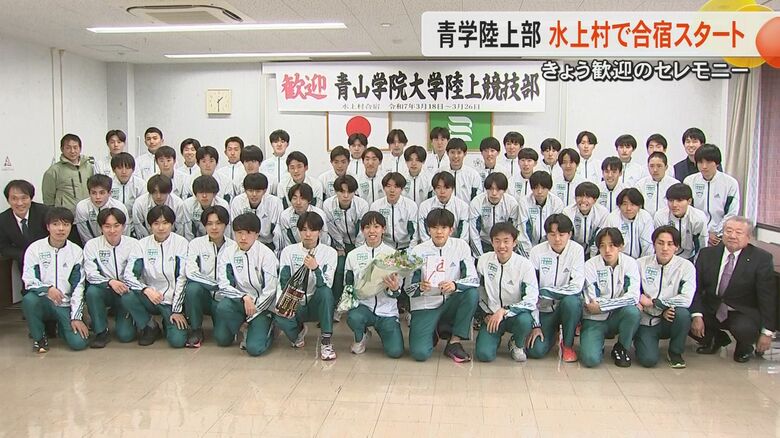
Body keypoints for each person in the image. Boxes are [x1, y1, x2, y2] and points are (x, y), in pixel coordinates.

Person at [690, 217, 776, 363]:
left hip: (741, 310)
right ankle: (715, 339)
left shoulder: (761, 259)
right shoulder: (707, 254)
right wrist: (696, 315)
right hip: (712, 306)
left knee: (743, 328)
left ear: (749, 237)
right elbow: (696, 288)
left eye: (738, 232)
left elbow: (767, 297)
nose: (732, 236)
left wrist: (767, 332)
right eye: (728, 231)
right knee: (684, 317)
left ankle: (745, 346)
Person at [405, 208, 479, 362]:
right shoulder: (418, 251)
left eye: (444, 227)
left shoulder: (461, 246)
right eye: (434, 227)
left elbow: (474, 279)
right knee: (420, 354)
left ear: (451, 230)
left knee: (472, 294)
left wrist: (455, 285)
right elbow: (408, 289)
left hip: (451, 300)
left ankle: (454, 341)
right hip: (426, 305)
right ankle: (434, 330)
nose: (439, 232)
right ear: (428, 230)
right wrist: (420, 287)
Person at [21, 207, 89, 353]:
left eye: (65, 224)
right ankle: (39, 338)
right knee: (29, 299)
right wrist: (48, 289)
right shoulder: (35, 249)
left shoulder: (76, 251)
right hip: (43, 300)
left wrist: (76, 317)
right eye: (55, 224)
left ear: (71, 227)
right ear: (48, 227)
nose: (61, 229)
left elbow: (79, 286)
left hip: (65, 304)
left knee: (79, 343)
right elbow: (28, 279)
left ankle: (61, 327)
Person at [275, 212, 339, 360]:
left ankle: (326, 341)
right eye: (304, 230)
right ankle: (298, 333)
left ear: (320, 232)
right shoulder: (289, 251)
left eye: (313, 230)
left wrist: (315, 268)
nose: (308, 234)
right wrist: (282, 304)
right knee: (280, 316)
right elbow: (283, 281)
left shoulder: (329, 253)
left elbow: (327, 283)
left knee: (325, 293)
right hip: (296, 302)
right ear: (298, 231)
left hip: (316, 303)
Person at [123, 205, 189, 347]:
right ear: (150, 225)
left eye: (165, 223)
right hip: (150, 297)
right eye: (156, 223)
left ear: (172, 224)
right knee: (127, 295)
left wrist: (177, 309)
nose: (161, 228)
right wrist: (146, 289)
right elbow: (128, 276)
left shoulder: (181, 243)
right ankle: (150, 326)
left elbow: (182, 278)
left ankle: (168, 321)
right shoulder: (141, 245)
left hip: (172, 300)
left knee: (177, 341)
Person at [213, 212, 278, 356]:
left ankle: (269, 328)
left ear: (257, 234)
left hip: (262, 306)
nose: (243, 238)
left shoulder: (266, 255)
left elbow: (270, 290)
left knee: (254, 349)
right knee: (222, 337)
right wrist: (243, 297)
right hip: (240, 302)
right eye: (239, 233)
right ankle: (243, 328)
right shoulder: (228, 253)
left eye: (248, 233)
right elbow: (223, 285)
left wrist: (254, 311)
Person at [475, 222, 539, 362]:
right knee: (484, 355)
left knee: (525, 320)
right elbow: (479, 291)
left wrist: (505, 311)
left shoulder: (525, 265)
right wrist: (485, 314)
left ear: (514, 243)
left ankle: (517, 344)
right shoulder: (484, 261)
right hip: (492, 316)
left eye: (506, 241)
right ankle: (494, 340)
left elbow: (531, 300)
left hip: (516, 315)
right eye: (497, 241)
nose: (501, 246)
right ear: (492, 242)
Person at [345, 211, 404, 358]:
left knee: (395, 352)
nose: (372, 231)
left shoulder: (393, 255)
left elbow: (398, 289)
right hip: (364, 307)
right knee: (354, 317)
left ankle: (386, 330)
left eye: (376, 227)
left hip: (387, 311)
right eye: (367, 227)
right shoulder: (353, 255)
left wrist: (394, 289)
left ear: (383, 229)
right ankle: (361, 335)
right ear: (362, 230)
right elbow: (348, 284)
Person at [527, 215, 585, 362]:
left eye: (561, 234)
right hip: (543, 309)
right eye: (552, 234)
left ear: (569, 234)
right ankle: (552, 335)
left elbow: (576, 287)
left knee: (572, 302)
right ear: (546, 235)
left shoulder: (576, 250)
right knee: (535, 351)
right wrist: (535, 324)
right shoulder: (536, 252)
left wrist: (546, 292)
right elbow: (531, 290)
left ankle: (567, 345)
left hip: (565, 305)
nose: (557, 239)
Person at [580, 228, 641, 368]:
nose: (607, 250)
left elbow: (633, 297)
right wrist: (619, 302)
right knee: (590, 360)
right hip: (594, 319)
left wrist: (602, 306)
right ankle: (597, 343)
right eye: (602, 246)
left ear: (621, 246)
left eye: (612, 245)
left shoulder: (630, 263)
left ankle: (621, 348)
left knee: (632, 312)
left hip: (618, 316)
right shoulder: (590, 265)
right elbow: (591, 301)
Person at [635, 226, 695, 368]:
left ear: (677, 247)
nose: (665, 248)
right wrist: (642, 301)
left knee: (682, 314)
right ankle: (641, 342)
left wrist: (658, 304)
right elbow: (632, 292)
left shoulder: (686, 267)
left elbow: (686, 298)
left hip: (669, 318)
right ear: (654, 244)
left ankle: (675, 352)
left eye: (670, 244)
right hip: (647, 319)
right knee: (648, 360)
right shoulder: (640, 264)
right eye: (660, 243)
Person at [83, 208, 139, 347]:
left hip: (126, 291)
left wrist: (124, 284)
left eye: (116, 225)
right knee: (92, 292)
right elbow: (91, 274)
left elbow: (136, 272)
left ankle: (131, 320)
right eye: (107, 226)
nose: (112, 230)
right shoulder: (92, 245)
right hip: (105, 289)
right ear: (101, 227)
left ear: (123, 226)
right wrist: (110, 282)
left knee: (126, 336)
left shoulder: (133, 244)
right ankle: (101, 331)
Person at [323, 175, 368, 311]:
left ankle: (358, 303)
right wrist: (340, 246)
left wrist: (358, 248)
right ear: (335, 191)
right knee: (339, 269)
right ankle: (337, 303)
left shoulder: (362, 205)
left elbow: (363, 229)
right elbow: (331, 227)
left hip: (360, 243)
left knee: (358, 270)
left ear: (355, 192)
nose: (346, 195)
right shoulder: (328, 205)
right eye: (342, 191)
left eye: (350, 192)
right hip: (339, 244)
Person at [683, 144, 740, 247]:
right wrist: (704, 233)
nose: (704, 166)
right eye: (700, 162)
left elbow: (732, 213)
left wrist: (716, 232)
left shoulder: (730, 183)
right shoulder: (689, 181)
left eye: (708, 162)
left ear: (717, 163)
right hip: (695, 233)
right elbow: (687, 210)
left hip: (720, 236)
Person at [469, 172, 530, 257]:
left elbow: (514, 231)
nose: (494, 193)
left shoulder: (511, 203)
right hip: (484, 242)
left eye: (498, 189)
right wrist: (480, 257)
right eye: (490, 189)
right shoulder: (477, 202)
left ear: (504, 190)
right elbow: (474, 233)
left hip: (504, 243)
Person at [0, 180, 49, 271]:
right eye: (14, 198)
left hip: (49, 259)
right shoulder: (3, 220)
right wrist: (26, 256)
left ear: (31, 198)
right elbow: (3, 246)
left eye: (24, 198)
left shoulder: (45, 212)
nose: (20, 203)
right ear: (8, 200)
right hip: (23, 262)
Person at [653, 183, 708, 261]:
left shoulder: (698, 217)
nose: (674, 205)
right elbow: (659, 242)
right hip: (668, 256)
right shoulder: (660, 216)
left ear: (689, 201)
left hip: (691, 256)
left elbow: (702, 245)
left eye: (679, 200)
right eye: (671, 200)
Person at [230, 173, 283, 252]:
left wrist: (276, 252)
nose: (254, 194)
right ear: (245, 190)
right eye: (250, 191)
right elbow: (234, 230)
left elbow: (278, 232)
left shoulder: (275, 203)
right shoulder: (237, 202)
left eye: (258, 191)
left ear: (265, 191)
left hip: (267, 244)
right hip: (244, 244)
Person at [41, 133, 93, 212]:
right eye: (68, 148)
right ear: (62, 149)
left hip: (87, 213)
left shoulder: (89, 167)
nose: (72, 151)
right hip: (65, 215)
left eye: (75, 147)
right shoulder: (54, 170)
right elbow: (48, 198)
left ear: (80, 148)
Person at [74, 174, 129, 243]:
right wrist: (93, 245)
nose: (98, 197)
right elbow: (84, 233)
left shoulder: (119, 207)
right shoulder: (82, 207)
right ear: (89, 193)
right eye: (94, 193)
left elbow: (125, 231)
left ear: (109, 193)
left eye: (102, 193)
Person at [370, 172, 418, 251]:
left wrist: (410, 251)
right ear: (384, 188)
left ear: (402, 189)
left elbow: (414, 233)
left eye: (396, 187)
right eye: (388, 186)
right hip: (384, 247)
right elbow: (373, 230)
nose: (392, 190)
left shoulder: (411, 206)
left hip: (406, 246)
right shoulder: (376, 206)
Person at [417, 171, 470, 242]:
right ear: (434, 189)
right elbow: (424, 236)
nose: (442, 191)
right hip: (430, 246)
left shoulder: (463, 207)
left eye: (446, 188)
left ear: (453, 189)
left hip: (455, 245)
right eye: (438, 188)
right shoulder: (425, 206)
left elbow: (463, 237)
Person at [563, 182, 608, 259]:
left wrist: (592, 258)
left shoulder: (602, 213)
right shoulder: (567, 212)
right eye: (580, 196)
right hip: (572, 251)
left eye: (588, 197)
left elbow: (599, 237)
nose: (583, 200)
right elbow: (567, 237)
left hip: (595, 252)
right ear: (575, 198)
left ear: (595, 200)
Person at [604, 188, 654, 259]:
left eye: (632, 204)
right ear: (619, 206)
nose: (628, 208)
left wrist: (643, 262)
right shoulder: (612, 218)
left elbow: (648, 245)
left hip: (641, 260)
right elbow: (609, 244)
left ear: (639, 206)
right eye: (625, 204)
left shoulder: (645, 217)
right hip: (618, 260)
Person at [131, 175, 186, 239]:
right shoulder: (139, 204)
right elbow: (139, 227)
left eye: (162, 192)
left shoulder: (178, 204)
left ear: (169, 192)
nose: (158, 196)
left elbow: (179, 228)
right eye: (155, 192)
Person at [277, 183, 330, 248]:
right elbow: (287, 239)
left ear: (309, 200)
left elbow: (323, 237)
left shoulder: (319, 214)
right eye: (294, 198)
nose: (298, 202)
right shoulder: (285, 215)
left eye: (302, 199)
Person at [183, 175, 230, 240]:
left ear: (214, 194)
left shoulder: (223, 205)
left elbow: (226, 230)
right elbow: (188, 230)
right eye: (201, 192)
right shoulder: (188, 204)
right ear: (195, 194)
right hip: (197, 240)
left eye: (208, 192)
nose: (204, 196)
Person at [525, 171, 564, 245]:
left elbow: (557, 228)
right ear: (531, 188)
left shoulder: (557, 203)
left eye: (543, 188)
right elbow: (523, 230)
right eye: (536, 188)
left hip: (550, 245)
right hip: (530, 246)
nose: (539, 191)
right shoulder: (524, 202)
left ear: (549, 188)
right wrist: (528, 251)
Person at [442, 138, 482, 203]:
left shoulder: (473, 175)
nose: (455, 156)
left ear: (465, 153)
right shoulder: (440, 173)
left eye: (459, 153)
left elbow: (477, 200)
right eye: (452, 152)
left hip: (467, 209)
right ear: (447, 153)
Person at [260, 129, 291, 195]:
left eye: (282, 142)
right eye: (276, 142)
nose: (279, 144)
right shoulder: (265, 164)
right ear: (271, 144)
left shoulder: (291, 163)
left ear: (287, 144)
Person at [215, 136, 246, 201]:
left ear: (242, 151)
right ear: (225, 152)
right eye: (229, 149)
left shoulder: (246, 170)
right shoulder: (220, 172)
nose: (232, 153)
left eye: (236, 149)